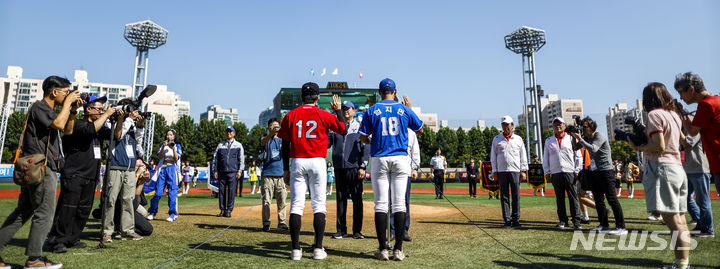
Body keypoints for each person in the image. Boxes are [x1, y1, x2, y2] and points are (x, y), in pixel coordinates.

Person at [0, 76, 81, 268]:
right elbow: (59, 126)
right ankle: (34, 259)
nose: (68, 94)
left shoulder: (49, 111)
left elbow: (67, 130)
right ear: (54, 92)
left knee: (22, 213)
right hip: (42, 168)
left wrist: (72, 110)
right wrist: (68, 104)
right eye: (65, 91)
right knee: (44, 214)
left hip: (37, 167)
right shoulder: (40, 107)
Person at [279, 83, 346, 261]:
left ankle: (295, 250)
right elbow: (342, 128)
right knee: (319, 205)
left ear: (302, 97)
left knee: (296, 205)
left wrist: (285, 167)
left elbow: (285, 144)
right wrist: (338, 110)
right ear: (317, 98)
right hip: (317, 161)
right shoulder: (323, 114)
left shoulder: (291, 115)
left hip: (298, 160)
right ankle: (318, 248)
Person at [359, 78, 424, 261]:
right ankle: (398, 250)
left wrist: (374, 140)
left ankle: (382, 249)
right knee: (399, 204)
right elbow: (420, 129)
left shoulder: (372, 110)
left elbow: (363, 138)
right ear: (395, 92)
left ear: (380, 93)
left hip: (380, 157)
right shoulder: (403, 109)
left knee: (380, 204)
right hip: (400, 159)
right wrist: (409, 109)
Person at [629, 82, 690, 269]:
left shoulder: (654, 115)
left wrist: (637, 146)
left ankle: (681, 265)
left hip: (662, 168)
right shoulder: (673, 114)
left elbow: (659, 146)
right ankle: (682, 263)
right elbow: (683, 141)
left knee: (673, 222)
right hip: (678, 168)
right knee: (680, 220)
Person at [47, 95, 115, 254]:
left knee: (83, 209)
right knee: (67, 209)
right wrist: (106, 115)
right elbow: (90, 130)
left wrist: (118, 120)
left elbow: (116, 135)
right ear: (88, 109)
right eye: (99, 109)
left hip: (91, 176)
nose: (101, 112)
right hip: (75, 174)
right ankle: (57, 240)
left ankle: (73, 238)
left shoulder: (100, 128)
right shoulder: (77, 124)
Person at [570, 116, 626, 235]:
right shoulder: (586, 138)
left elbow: (593, 149)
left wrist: (580, 138)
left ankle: (621, 227)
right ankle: (604, 224)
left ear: (591, 127)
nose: (583, 129)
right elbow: (575, 148)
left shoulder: (598, 136)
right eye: (582, 127)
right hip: (594, 172)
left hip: (606, 171)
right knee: (598, 199)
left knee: (612, 199)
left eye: (585, 127)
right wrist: (573, 137)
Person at [102, 98, 146, 243]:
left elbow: (138, 145)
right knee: (111, 200)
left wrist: (139, 126)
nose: (133, 112)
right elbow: (117, 135)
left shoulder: (131, 123)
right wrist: (126, 119)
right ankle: (107, 231)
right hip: (115, 165)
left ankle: (128, 230)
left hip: (130, 167)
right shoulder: (112, 121)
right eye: (131, 109)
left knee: (128, 200)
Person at [328, 100, 370, 240]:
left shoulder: (359, 126)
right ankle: (341, 230)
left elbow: (365, 147)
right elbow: (328, 143)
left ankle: (357, 231)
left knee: (357, 200)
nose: (346, 111)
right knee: (341, 199)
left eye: (348, 108)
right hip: (340, 167)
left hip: (354, 168)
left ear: (354, 110)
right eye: (343, 108)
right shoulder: (335, 127)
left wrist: (362, 166)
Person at [674, 72, 720, 196]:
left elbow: (692, 131)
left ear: (691, 89)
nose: (681, 97)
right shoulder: (714, 100)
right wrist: (683, 112)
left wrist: (681, 114)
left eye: (681, 92)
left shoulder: (706, 105)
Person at [389, 99, 421, 243]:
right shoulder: (390, 129)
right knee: (390, 201)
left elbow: (415, 152)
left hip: (406, 170)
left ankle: (404, 230)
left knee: (404, 201)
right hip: (390, 169)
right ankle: (392, 231)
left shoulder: (410, 132)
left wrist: (415, 168)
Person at [542, 117, 583, 230]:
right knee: (559, 198)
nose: (558, 126)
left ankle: (576, 221)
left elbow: (578, 155)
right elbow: (545, 157)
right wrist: (547, 171)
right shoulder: (548, 140)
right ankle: (563, 220)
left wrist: (577, 170)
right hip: (555, 173)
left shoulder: (571, 138)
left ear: (564, 126)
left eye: (560, 124)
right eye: (555, 124)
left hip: (570, 171)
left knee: (573, 197)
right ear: (553, 127)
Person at [490, 115, 528, 228]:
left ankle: (516, 219)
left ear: (512, 126)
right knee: (504, 196)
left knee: (516, 196)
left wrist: (523, 170)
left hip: (515, 170)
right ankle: (507, 220)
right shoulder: (496, 139)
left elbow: (523, 155)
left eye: (507, 125)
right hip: (502, 171)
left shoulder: (518, 139)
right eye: (503, 125)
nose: (505, 127)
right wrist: (494, 171)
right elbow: (493, 156)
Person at [681, 130, 714, 237]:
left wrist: (677, 130)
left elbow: (687, 143)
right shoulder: (686, 130)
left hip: (699, 169)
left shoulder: (696, 130)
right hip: (689, 169)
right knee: (685, 198)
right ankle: (700, 222)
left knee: (703, 201)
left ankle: (708, 229)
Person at [259, 118, 288, 232]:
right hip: (267, 175)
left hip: (280, 175)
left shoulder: (283, 140)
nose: (274, 128)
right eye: (272, 126)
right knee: (266, 200)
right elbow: (262, 142)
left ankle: (282, 222)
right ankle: (266, 223)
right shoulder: (265, 139)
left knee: (282, 201)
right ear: (268, 128)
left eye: (276, 126)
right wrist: (271, 134)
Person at [148, 129, 182, 222]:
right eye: (167, 135)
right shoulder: (163, 145)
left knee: (172, 192)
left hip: (172, 169)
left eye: (171, 135)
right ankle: (152, 212)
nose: (169, 136)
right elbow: (159, 157)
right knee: (158, 192)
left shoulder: (177, 146)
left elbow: (176, 158)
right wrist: (163, 146)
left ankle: (172, 214)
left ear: (174, 136)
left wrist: (174, 149)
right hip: (163, 169)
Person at [212, 126, 245, 218]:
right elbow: (215, 158)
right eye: (227, 132)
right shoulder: (220, 145)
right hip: (221, 172)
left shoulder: (238, 145)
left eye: (230, 132)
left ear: (234, 133)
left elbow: (241, 159)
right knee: (221, 192)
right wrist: (215, 170)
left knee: (231, 192)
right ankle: (222, 210)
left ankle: (229, 210)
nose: (228, 133)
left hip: (233, 172)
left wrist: (240, 171)